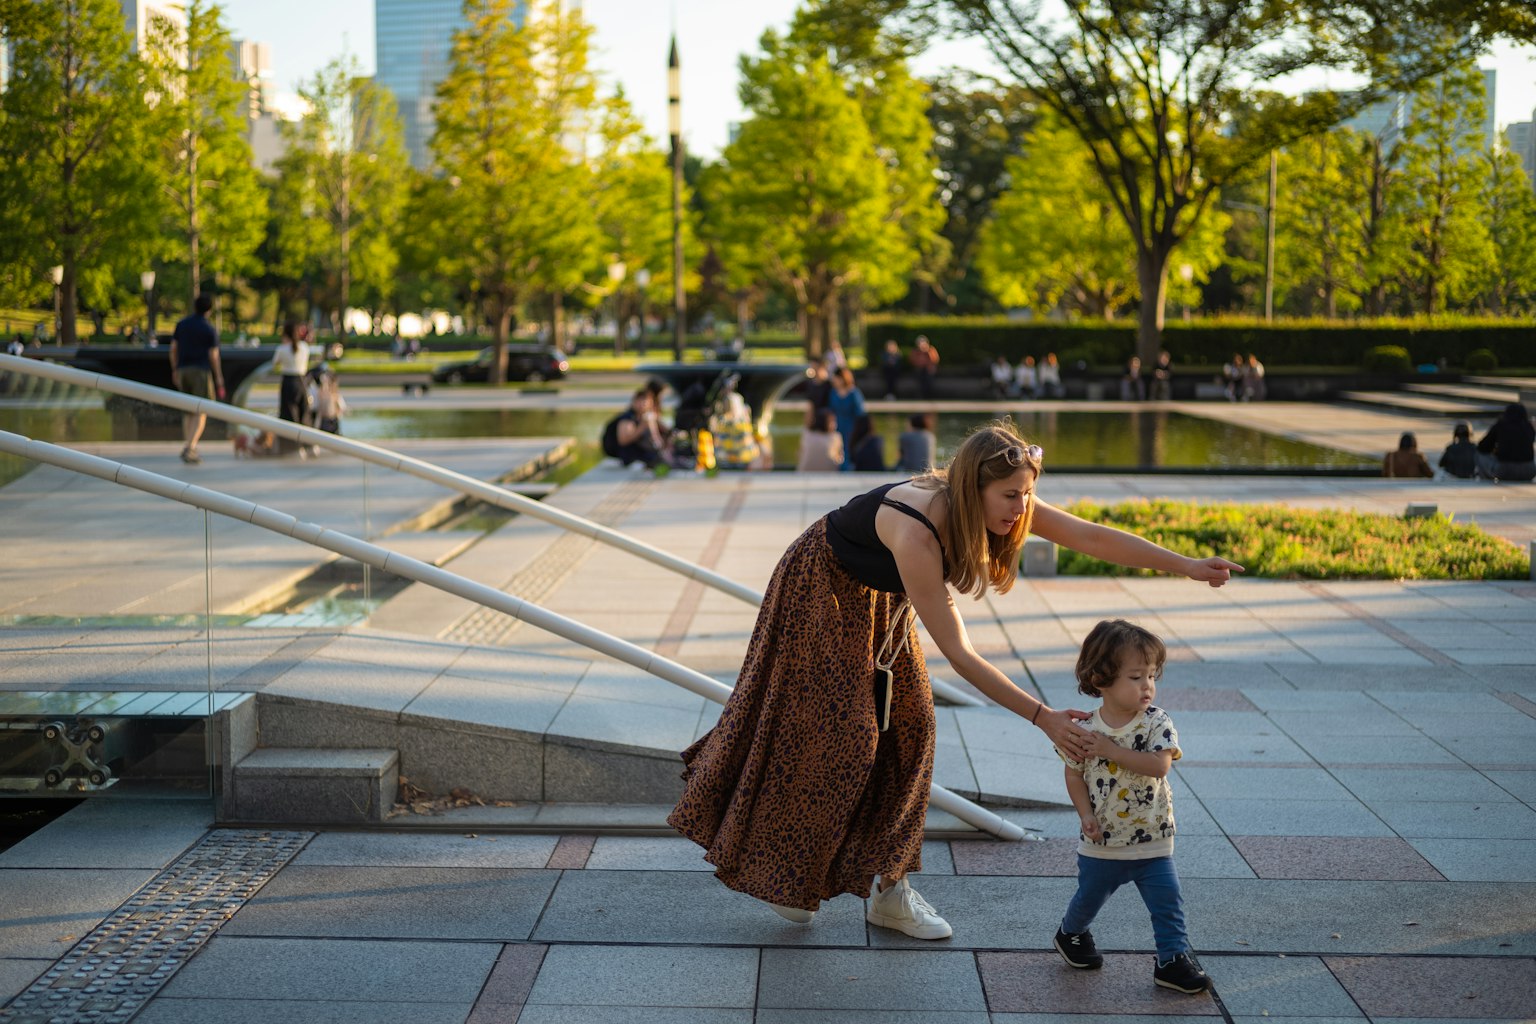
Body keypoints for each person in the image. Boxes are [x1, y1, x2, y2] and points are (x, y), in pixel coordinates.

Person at [667, 421, 1243, 938]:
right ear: (974, 490)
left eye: (1027, 494)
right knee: (843, 736)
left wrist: (1188, 567)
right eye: (1011, 497)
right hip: (821, 588)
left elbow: (1089, 536)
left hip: (883, 595)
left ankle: (889, 891)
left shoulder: (1003, 493)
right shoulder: (918, 532)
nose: (1021, 508)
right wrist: (1040, 717)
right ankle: (786, 874)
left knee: (913, 731)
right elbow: (961, 655)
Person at [1052, 619, 1211, 995]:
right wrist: (1085, 815)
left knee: (1167, 901)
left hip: (1153, 840)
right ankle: (1070, 934)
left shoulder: (1157, 721)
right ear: (1100, 679)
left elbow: (1160, 766)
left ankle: (1171, 960)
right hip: (1102, 843)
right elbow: (1074, 774)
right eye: (1136, 677)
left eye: (1152, 676)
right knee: (1088, 898)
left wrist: (1112, 751)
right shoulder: (1085, 728)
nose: (1148, 686)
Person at [168, 293, 225, 464]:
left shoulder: (182, 325)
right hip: (201, 372)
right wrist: (219, 377)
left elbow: (173, 348)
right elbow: (214, 355)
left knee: (188, 410)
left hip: (183, 369)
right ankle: (190, 447)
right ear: (209, 310)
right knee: (202, 410)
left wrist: (175, 369)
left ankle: (189, 445)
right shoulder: (208, 329)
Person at [602, 388, 668, 471]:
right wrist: (642, 427)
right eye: (639, 401)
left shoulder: (646, 416)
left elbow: (659, 435)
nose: (642, 404)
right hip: (621, 451)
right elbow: (623, 441)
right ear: (634, 402)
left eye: (645, 402)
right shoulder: (627, 418)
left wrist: (654, 423)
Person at [273, 320, 312, 456]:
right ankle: (309, 445)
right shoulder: (304, 347)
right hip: (301, 382)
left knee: (289, 415)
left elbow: (275, 363)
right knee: (304, 414)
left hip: (288, 381)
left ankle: (293, 448)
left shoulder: (282, 349)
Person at [1475, 402, 1536, 482]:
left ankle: (1486, 480)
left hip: (1505, 471)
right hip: (1529, 471)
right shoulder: (1528, 427)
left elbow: (1482, 447)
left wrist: (1496, 451)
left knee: (1479, 454)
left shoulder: (1501, 425)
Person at [827, 366, 866, 471]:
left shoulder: (854, 393)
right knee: (838, 451)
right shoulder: (833, 393)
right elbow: (831, 411)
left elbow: (860, 413)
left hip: (852, 427)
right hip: (838, 427)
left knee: (850, 450)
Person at [796, 408, 845, 472]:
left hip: (804, 474)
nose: (835, 424)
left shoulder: (807, 434)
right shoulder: (835, 437)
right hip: (829, 476)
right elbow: (840, 459)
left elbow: (799, 455)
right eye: (832, 421)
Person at [910, 335, 939, 400]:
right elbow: (912, 360)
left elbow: (935, 360)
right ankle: (921, 395)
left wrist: (927, 352)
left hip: (928, 370)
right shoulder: (915, 351)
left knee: (929, 378)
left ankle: (928, 395)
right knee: (919, 379)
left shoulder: (931, 350)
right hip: (919, 369)